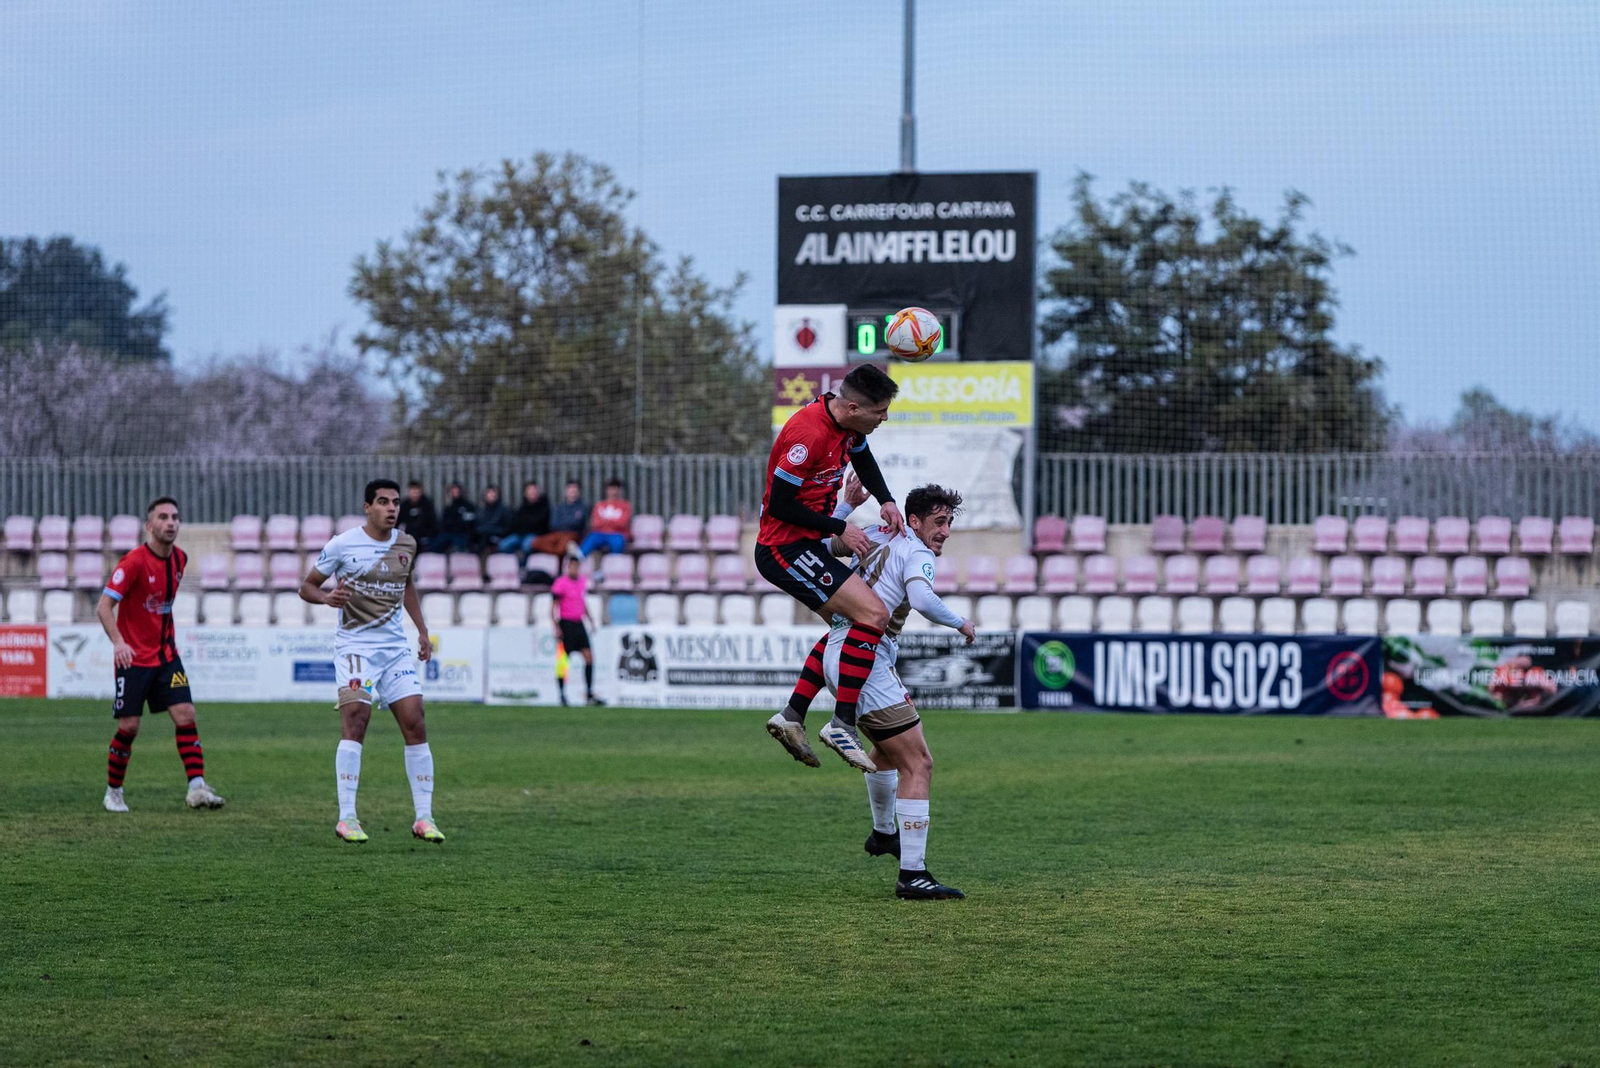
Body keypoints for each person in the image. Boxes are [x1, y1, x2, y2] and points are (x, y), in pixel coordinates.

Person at [821, 476, 972, 901]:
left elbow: (819, 552)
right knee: (919, 764)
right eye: (938, 522)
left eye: (949, 523)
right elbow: (922, 601)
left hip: (842, 651)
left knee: (887, 751)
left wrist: (843, 510)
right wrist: (961, 623)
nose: (944, 531)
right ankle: (913, 874)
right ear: (914, 521)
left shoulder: (871, 534)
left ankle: (884, 833)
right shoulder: (916, 551)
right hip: (865, 659)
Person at [757, 363, 902, 771]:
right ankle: (841, 722)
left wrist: (886, 499)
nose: (884, 417)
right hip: (784, 548)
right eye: (880, 411)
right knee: (873, 614)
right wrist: (843, 526)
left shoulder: (847, 427)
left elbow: (865, 458)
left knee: (848, 626)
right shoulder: (809, 433)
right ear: (854, 407)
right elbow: (780, 505)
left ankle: (791, 716)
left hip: (804, 544)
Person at [299, 478, 444, 845]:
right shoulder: (343, 545)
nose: (391, 508)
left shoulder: (407, 544)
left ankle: (423, 818)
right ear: (368, 507)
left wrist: (422, 631)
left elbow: (407, 585)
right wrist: (327, 598)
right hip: (355, 647)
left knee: (415, 721)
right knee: (356, 721)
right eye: (383, 502)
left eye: (395, 502)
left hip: (394, 648)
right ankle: (347, 817)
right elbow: (307, 586)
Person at [98, 496, 225, 813]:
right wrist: (119, 642)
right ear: (149, 525)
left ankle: (197, 788)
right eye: (163, 517)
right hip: (134, 659)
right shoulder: (133, 562)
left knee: (186, 715)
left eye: (175, 517)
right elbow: (103, 607)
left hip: (167, 656)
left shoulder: (179, 559)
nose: (171, 523)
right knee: (129, 728)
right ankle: (113, 792)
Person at [550, 552, 604, 706]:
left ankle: (589, 694)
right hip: (566, 624)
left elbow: (582, 602)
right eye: (571, 566)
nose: (574, 569)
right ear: (568, 567)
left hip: (579, 623)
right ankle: (562, 695)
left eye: (576, 566)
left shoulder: (581, 582)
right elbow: (553, 607)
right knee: (563, 661)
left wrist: (590, 620)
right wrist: (556, 626)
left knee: (588, 657)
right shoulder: (560, 583)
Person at [578, 478, 632, 558]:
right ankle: (576, 562)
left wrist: (605, 521)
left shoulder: (626, 505)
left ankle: (613, 567)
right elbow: (595, 523)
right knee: (589, 541)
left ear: (620, 490)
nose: (614, 491)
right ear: (607, 490)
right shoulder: (599, 505)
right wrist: (613, 522)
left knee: (617, 544)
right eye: (611, 489)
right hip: (599, 534)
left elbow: (623, 523)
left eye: (616, 488)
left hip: (617, 534)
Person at [534, 479, 588, 557]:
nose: (572, 491)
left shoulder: (583, 507)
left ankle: (563, 552)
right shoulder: (558, 508)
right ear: (566, 491)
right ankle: (569, 549)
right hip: (558, 534)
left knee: (561, 547)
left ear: (579, 492)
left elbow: (579, 524)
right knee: (535, 543)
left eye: (575, 489)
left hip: (572, 535)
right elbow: (553, 524)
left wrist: (565, 522)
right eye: (570, 488)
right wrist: (570, 522)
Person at [498, 481, 549, 561]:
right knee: (503, 545)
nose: (532, 492)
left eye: (534, 489)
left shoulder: (544, 506)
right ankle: (516, 559)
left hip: (535, 534)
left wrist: (527, 522)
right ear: (525, 493)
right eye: (530, 490)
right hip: (520, 534)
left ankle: (524, 567)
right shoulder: (522, 506)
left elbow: (538, 522)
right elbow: (516, 521)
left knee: (526, 547)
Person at [434, 481, 476, 554]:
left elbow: (470, 524)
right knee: (435, 546)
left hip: (462, 534)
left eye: (457, 490)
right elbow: (443, 523)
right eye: (453, 490)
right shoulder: (448, 508)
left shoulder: (468, 506)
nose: (455, 492)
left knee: (459, 548)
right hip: (449, 534)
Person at [398, 480, 438, 550]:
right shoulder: (404, 505)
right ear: (408, 492)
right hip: (408, 536)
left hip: (424, 537)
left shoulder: (427, 504)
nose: (415, 495)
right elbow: (399, 522)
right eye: (413, 492)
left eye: (417, 492)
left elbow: (432, 522)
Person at [475, 485, 511, 551]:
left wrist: (490, 530)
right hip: (484, 539)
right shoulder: (481, 510)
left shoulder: (503, 510)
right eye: (489, 492)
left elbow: (507, 528)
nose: (491, 495)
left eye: (493, 492)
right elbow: (477, 527)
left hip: (499, 538)